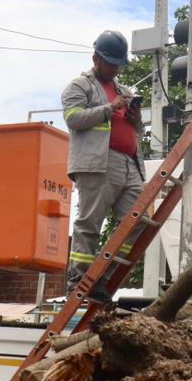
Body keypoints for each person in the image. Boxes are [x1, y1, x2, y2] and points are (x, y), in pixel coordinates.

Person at [61, 30, 146, 300]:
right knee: (90, 223)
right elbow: (74, 118)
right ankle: (78, 281)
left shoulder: (124, 90)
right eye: (111, 62)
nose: (115, 68)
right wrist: (110, 108)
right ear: (96, 58)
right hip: (98, 163)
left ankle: (103, 278)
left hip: (131, 164)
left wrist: (135, 118)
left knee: (135, 222)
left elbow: (137, 130)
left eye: (119, 63)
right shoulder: (79, 86)